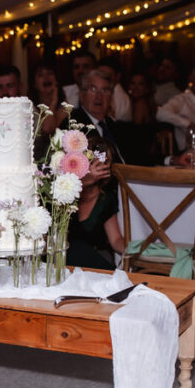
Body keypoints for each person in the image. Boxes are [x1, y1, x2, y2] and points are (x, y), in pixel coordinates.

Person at [61, 69, 126, 270]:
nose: (99, 96)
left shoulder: (113, 125)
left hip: (116, 194)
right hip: (63, 255)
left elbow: (117, 241)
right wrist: (87, 179)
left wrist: (145, 251)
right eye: (93, 89)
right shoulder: (72, 128)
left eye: (105, 90)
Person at [96, 57, 132, 122]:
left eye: (107, 76)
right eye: (99, 75)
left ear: (117, 77)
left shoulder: (119, 96)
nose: (102, 79)